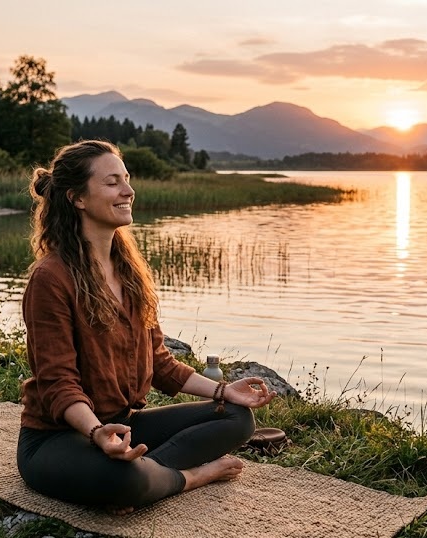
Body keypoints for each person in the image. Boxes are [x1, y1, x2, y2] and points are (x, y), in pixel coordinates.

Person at [16, 140, 275, 514]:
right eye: (112, 182)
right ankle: (188, 477)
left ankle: (148, 479)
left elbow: (160, 363)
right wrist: (96, 433)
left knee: (236, 417)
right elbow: (59, 384)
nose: (128, 190)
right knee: (121, 480)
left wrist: (223, 390)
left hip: (123, 424)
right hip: (59, 437)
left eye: (127, 179)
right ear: (78, 198)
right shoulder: (51, 278)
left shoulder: (128, 270)